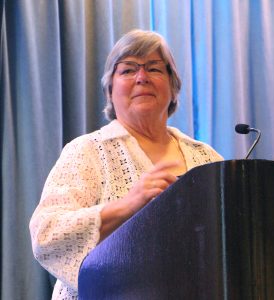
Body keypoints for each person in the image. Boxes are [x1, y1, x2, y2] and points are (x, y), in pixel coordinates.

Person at [29, 29, 223, 299]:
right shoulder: (86, 152)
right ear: (110, 90)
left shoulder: (207, 158)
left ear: (173, 85)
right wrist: (127, 205)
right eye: (128, 70)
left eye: (154, 69)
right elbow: (46, 234)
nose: (142, 78)